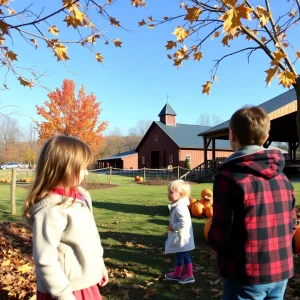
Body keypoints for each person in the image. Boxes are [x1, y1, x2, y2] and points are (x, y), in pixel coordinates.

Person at [208, 106, 296, 300]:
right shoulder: (283, 179)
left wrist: (214, 244)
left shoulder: (228, 177)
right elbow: (292, 226)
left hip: (246, 274)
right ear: (266, 137)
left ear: (232, 135)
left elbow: (220, 234)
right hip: (281, 269)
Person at [23, 136, 108, 300]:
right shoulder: (51, 210)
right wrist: (64, 295)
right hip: (67, 290)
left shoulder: (81, 196)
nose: (86, 172)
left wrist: (100, 266)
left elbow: (91, 239)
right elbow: (45, 260)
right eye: (82, 168)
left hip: (86, 284)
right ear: (63, 168)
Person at [164, 179, 195, 284]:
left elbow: (184, 222)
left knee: (180, 256)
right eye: (168, 191)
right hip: (182, 237)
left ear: (180, 194)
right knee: (185, 254)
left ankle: (178, 274)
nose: (168, 194)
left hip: (181, 237)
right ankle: (190, 274)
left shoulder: (180, 207)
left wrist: (173, 227)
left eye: (171, 192)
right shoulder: (178, 205)